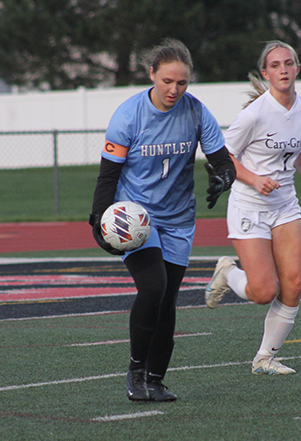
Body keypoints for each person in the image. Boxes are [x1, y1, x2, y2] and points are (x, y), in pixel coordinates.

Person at [90, 39, 235, 402]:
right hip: (137, 218)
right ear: (151, 74)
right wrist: (98, 221)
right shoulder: (129, 115)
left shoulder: (197, 112)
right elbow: (108, 176)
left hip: (179, 220)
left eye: (182, 83)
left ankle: (156, 379)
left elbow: (223, 161)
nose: (174, 89)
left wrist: (223, 178)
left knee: (167, 301)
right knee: (152, 288)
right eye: (167, 81)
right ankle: (135, 371)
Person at [205, 40, 301, 375]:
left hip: (285, 204)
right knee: (264, 291)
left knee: (294, 282)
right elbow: (222, 156)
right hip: (249, 205)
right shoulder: (254, 113)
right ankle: (227, 272)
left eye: (288, 64)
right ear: (266, 73)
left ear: (297, 69)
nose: (283, 70)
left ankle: (265, 358)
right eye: (275, 65)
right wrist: (251, 178)